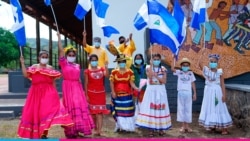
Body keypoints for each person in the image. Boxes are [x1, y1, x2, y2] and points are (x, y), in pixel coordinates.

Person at [18, 51, 73, 139]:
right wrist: (22, 63)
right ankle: (37, 133)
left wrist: (55, 94)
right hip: (35, 93)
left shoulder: (50, 68)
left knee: (46, 112)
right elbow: (25, 75)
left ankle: (44, 133)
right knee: (36, 113)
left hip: (48, 92)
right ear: (39, 58)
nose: (44, 58)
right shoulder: (34, 67)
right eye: (43, 57)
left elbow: (53, 82)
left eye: (46, 57)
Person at [58, 34, 95, 138]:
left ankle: (79, 129)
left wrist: (82, 90)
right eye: (69, 55)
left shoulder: (77, 65)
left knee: (79, 106)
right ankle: (71, 131)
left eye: (73, 55)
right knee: (70, 106)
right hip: (68, 87)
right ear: (66, 56)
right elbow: (61, 52)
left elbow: (78, 77)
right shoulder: (64, 63)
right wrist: (59, 39)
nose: (71, 56)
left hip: (77, 88)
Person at [136, 54, 171, 137]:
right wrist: (151, 65)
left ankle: (161, 128)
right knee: (150, 109)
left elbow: (164, 81)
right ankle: (151, 129)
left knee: (160, 109)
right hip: (151, 92)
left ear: (160, 60)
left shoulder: (163, 69)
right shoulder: (148, 67)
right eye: (154, 59)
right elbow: (149, 76)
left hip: (160, 91)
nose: (156, 61)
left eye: (157, 59)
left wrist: (157, 77)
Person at [198, 54, 233, 135]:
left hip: (217, 92)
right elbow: (199, 64)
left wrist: (224, 95)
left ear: (217, 63)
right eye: (211, 61)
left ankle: (224, 128)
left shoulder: (220, 72)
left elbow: (222, 84)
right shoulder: (206, 71)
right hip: (208, 93)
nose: (212, 63)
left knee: (219, 107)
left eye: (214, 62)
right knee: (210, 108)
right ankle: (212, 125)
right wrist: (202, 53)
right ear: (209, 62)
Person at [110, 54, 140, 132]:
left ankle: (127, 128)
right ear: (118, 63)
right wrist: (113, 92)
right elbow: (111, 82)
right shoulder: (114, 72)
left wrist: (136, 88)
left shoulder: (130, 72)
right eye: (120, 62)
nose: (122, 63)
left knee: (127, 111)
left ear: (125, 62)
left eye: (123, 61)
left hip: (127, 95)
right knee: (118, 112)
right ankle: (120, 126)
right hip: (117, 95)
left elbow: (131, 83)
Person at [84, 54, 110, 136]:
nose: (94, 62)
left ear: (97, 61)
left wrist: (106, 66)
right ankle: (95, 128)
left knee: (100, 113)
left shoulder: (102, 69)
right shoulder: (87, 71)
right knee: (93, 113)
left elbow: (107, 75)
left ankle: (99, 130)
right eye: (92, 60)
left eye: (95, 60)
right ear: (90, 61)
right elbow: (86, 83)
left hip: (101, 94)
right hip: (91, 94)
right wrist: (86, 95)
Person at [171, 57, 197, 133]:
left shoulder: (191, 73)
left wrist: (194, 93)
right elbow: (172, 68)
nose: (185, 66)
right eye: (184, 65)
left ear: (189, 66)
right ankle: (182, 126)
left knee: (188, 109)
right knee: (181, 109)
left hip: (188, 93)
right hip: (181, 93)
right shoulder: (179, 72)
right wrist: (173, 59)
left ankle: (187, 126)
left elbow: (193, 83)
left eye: (187, 65)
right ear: (181, 66)